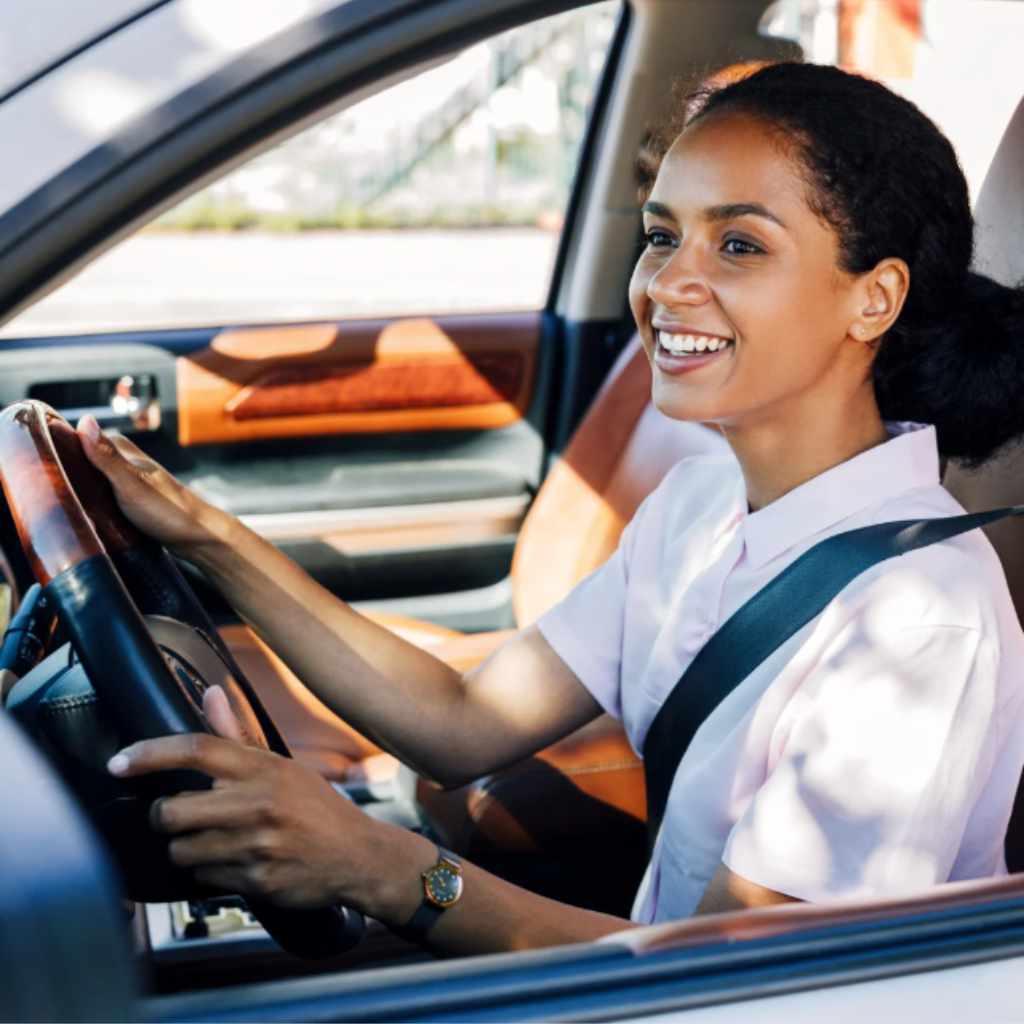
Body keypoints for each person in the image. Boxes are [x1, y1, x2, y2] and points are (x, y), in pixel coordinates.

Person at [82, 61, 1024, 954]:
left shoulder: (916, 621)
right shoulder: (700, 506)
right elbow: (459, 719)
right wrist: (204, 536)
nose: (665, 285)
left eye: (738, 244)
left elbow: (740, 978)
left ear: (875, 298)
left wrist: (379, 864)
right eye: (661, 236)